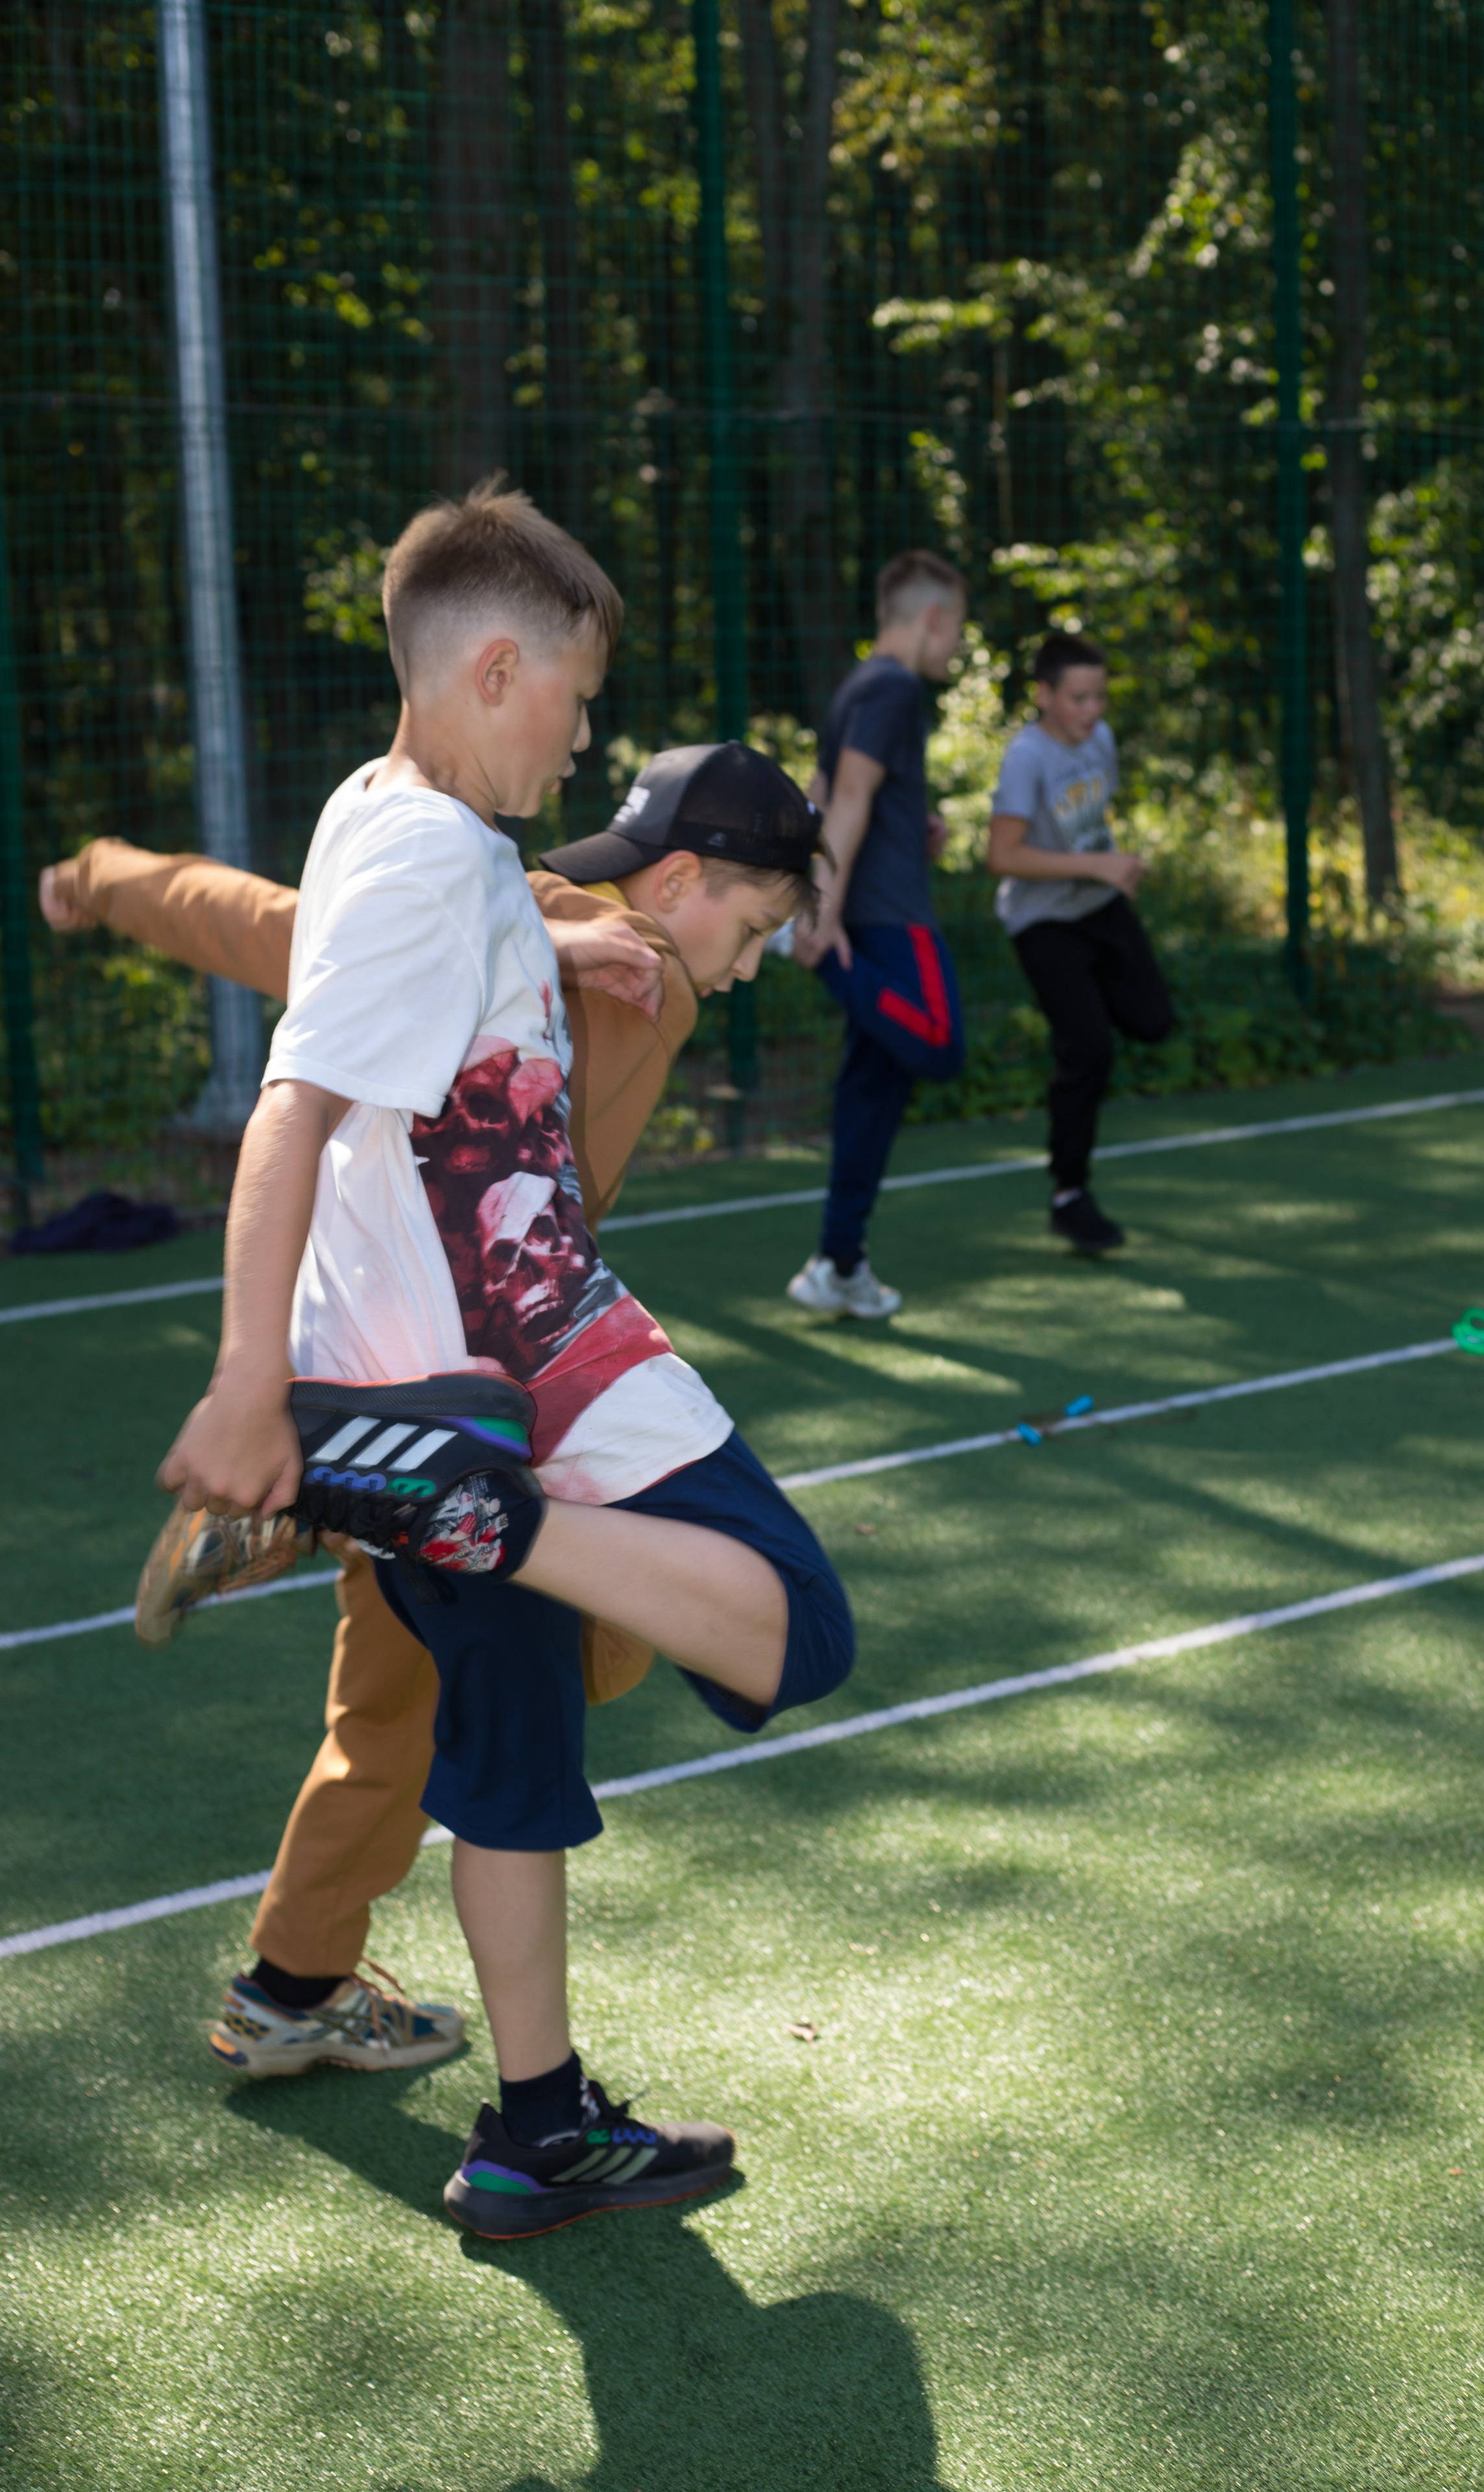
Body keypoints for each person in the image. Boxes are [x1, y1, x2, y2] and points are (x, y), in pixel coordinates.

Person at [144, 478, 855, 2236]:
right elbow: (289, 1114)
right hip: (511, 1371)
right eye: (573, 694)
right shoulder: (442, 848)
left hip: (420, 1384)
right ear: (486, 670)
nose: (584, 732)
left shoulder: (388, 823)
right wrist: (253, 1387)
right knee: (794, 1621)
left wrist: (556, 930)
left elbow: (388, 974)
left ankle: (534, 2125)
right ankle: (468, 1514)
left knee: (518, 1746)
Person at [42, 740, 812, 2094]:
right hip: (438, 1400)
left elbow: (282, 927)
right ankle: (294, 1496)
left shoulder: (551, 923)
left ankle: (293, 1986)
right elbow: (286, 935)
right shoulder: (551, 938)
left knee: (400, 1703)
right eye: (749, 930)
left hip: (441, 1387)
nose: (746, 966)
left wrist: (110, 879)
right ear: (679, 875)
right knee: (561, 1655)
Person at [785, 550, 969, 1319]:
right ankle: (805, 956)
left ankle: (839, 1262)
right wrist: (817, 917)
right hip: (889, 918)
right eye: (956, 629)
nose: (956, 646)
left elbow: (825, 794)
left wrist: (910, 825)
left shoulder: (860, 684)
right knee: (937, 1041)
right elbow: (849, 797)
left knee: (872, 1092)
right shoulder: (894, 687)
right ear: (930, 618)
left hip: (874, 902)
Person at [986, 633, 1174, 1254]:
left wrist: (1109, 867)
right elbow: (1001, 855)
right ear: (1044, 696)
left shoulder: (1101, 741)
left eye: (1099, 697)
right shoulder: (1026, 758)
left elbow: (1090, 824)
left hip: (1099, 906)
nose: (1092, 710)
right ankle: (1070, 1195)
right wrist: (1095, 867)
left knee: (1153, 1021)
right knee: (1088, 1049)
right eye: (1077, 698)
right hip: (1043, 921)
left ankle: (1086, 1014)